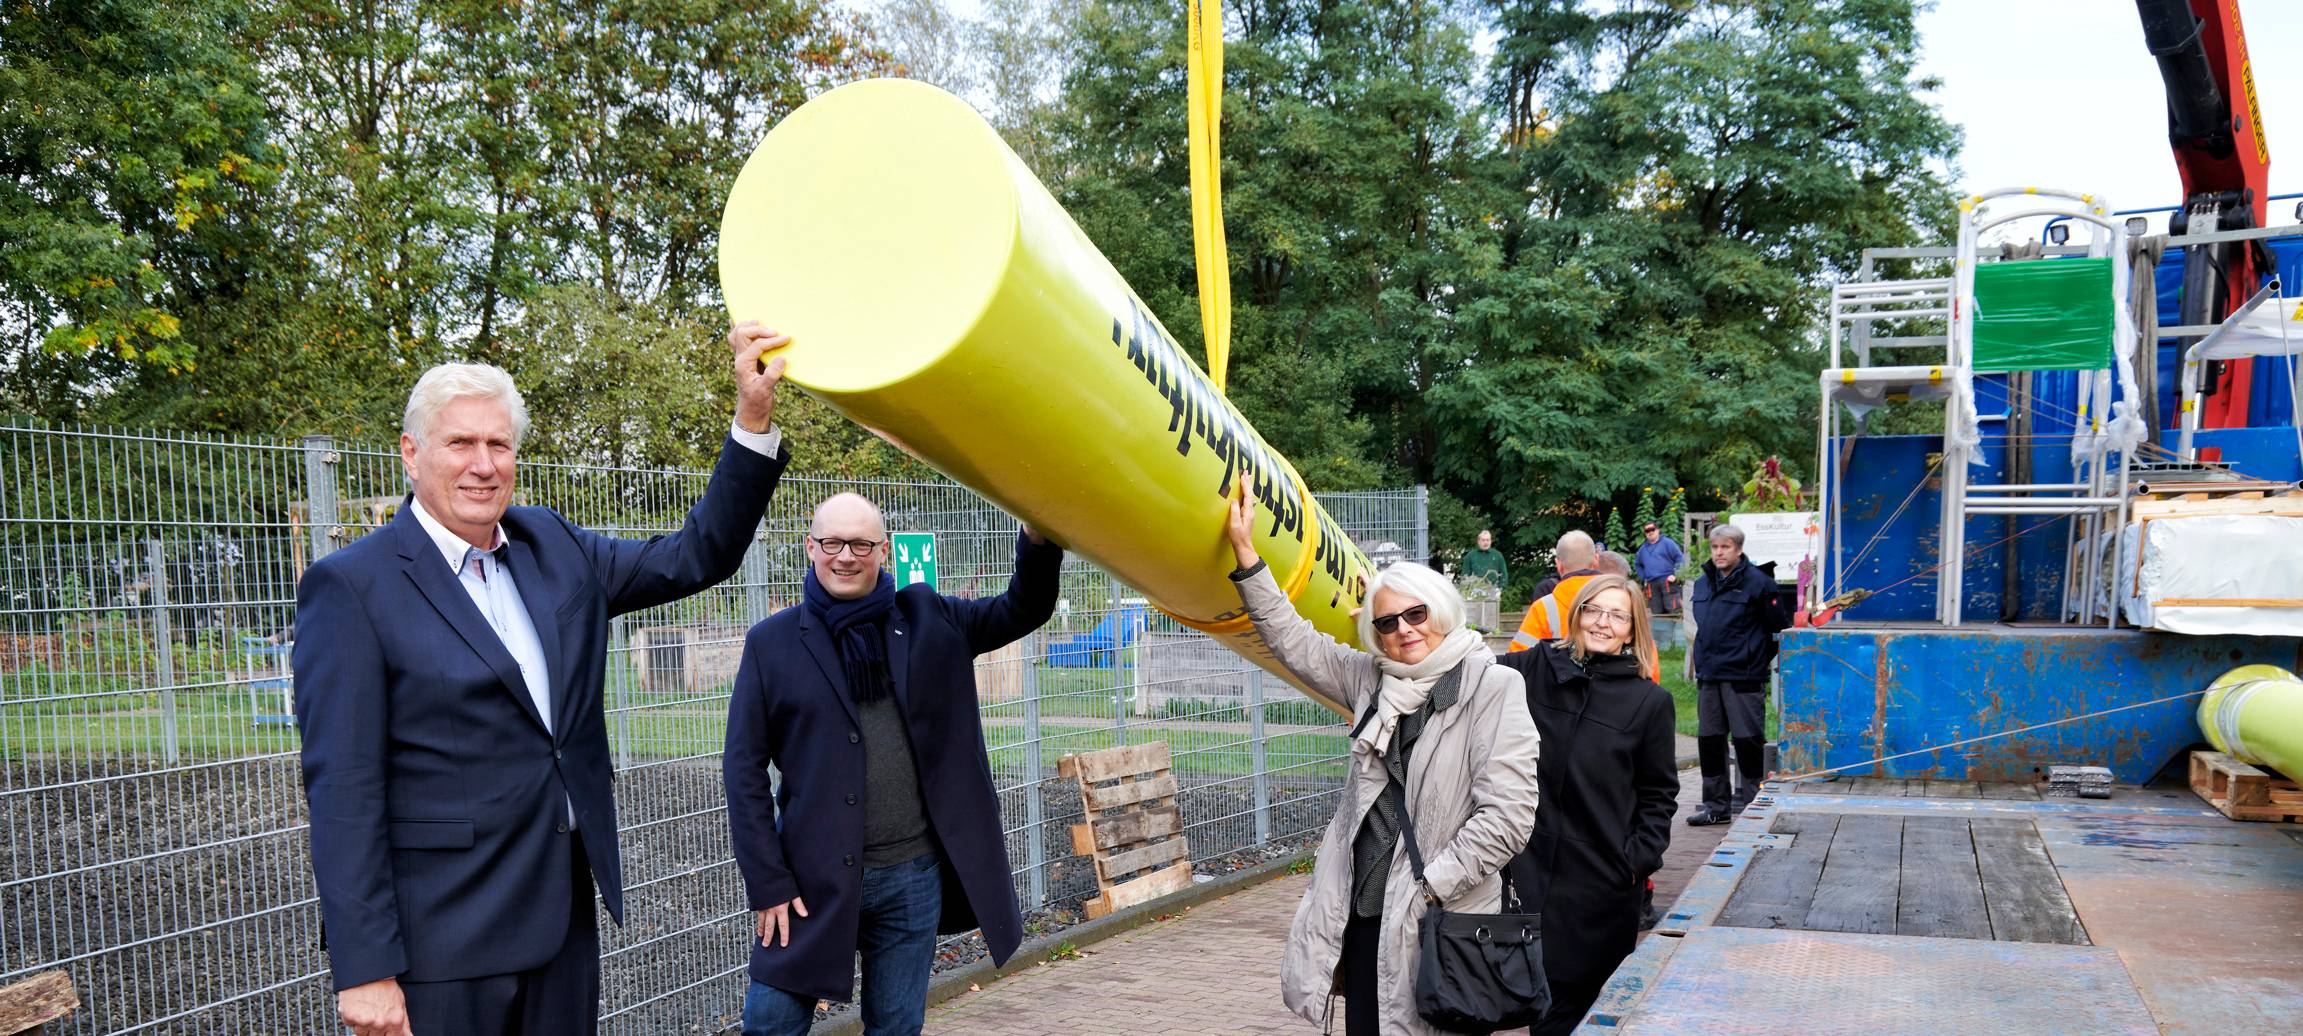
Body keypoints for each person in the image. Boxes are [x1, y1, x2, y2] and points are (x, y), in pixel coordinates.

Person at [293, 323, 794, 1036]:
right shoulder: (352, 586)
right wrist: (365, 969)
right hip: (443, 948)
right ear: (411, 453)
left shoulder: (551, 546)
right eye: (460, 443)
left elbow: (696, 555)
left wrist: (752, 418)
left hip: (560, 928)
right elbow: (343, 790)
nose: (483, 465)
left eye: (498, 445)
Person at [724, 494, 1062, 1036]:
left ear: (883, 551)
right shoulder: (773, 643)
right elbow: (743, 772)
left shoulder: (931, 619)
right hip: (809, 884)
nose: (845, 556)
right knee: (770, 1024)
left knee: (897, 1027)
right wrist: (768, 883)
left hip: (912, 878)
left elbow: (1025, 607)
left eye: (861, 544)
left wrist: (1038, 539)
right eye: (832, 543)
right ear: (810, 548)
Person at [1225, 484, 1541, 1036]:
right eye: (1387, 623)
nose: (1404, 630)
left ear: (1441, 610)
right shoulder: (1372, 680)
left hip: (1442, 919)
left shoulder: (1492, 687)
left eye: (1416, 613)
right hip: (1368, 917)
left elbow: (1509, 817)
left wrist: (1430, 886)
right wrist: (1247, 555)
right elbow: (1295, 643)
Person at [1497, 575, 1679, 1035]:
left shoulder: (1649, 702)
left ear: (1632, 630)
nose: (1602, 622)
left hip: (1599, 889)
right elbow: (1465, 668)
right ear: (1576, 615)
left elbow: (1659, 795)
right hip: (1526, 875)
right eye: (1593, 610)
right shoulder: (1535, 668)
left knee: (1576, 1012)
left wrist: (1633, 862)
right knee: (1525, 1003)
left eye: (1617, 615)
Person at [1685, 524, 1792, 826]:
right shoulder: (1703, 584)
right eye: (1715, 547)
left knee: (1748, 742)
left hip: (1744, 677)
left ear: (1739, 549)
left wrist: (1754, 660)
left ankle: (1754, 806)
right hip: (1709, 675)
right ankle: (1715, 807)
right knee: (1710, 742)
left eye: (1725, 547)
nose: (1719, 553)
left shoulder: (1760, 583)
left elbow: (1778, 630)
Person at [1509, 530, 1601, 651]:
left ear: (1558, 565)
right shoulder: (1622, 602)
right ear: (1596, 560)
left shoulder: (1543, 608)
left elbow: (1518, 656)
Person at [1634, 522, 1686, 615]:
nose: (1650, 532)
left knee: (1674, 611)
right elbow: (1637, 564)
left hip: (1668, 581)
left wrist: (1677, 574)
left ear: (1658, 530)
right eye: (1647, 531)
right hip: (1652, 584)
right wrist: (1644, 577)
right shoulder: (1642, 550)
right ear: (1645, 533)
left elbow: (1679, 557)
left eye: (1652, 529)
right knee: (1656, 613)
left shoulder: (1667, 543)